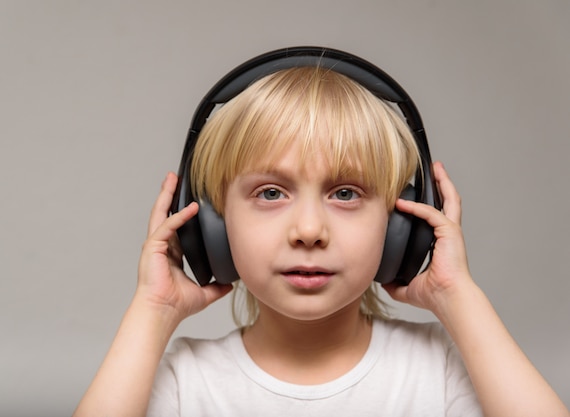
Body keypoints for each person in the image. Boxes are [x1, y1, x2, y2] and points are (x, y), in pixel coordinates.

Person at [73, 60, 569, 416]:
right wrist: (152, 309)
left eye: (346, 193)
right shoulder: (183, 381)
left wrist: (456, 295)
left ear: (403, 228)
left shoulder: (440, 367)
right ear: (211, 227)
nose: (309, 231)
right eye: (270, 192)